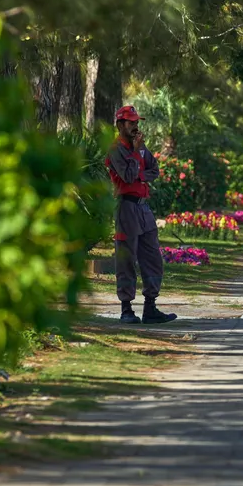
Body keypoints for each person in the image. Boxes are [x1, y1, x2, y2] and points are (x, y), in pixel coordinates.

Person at [106, 105, 177, 325]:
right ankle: (126, 309)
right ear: (120, 125)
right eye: (131, 122)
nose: (136, 126)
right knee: (126, 258)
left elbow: (154, 171)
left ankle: (150, 308)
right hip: (126, 207)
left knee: (153, 257)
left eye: (137, 122)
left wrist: (139, 171)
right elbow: (127, 177)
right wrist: (136, 158)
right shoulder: (116, 149)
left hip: (143, 207)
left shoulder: (142, 147)